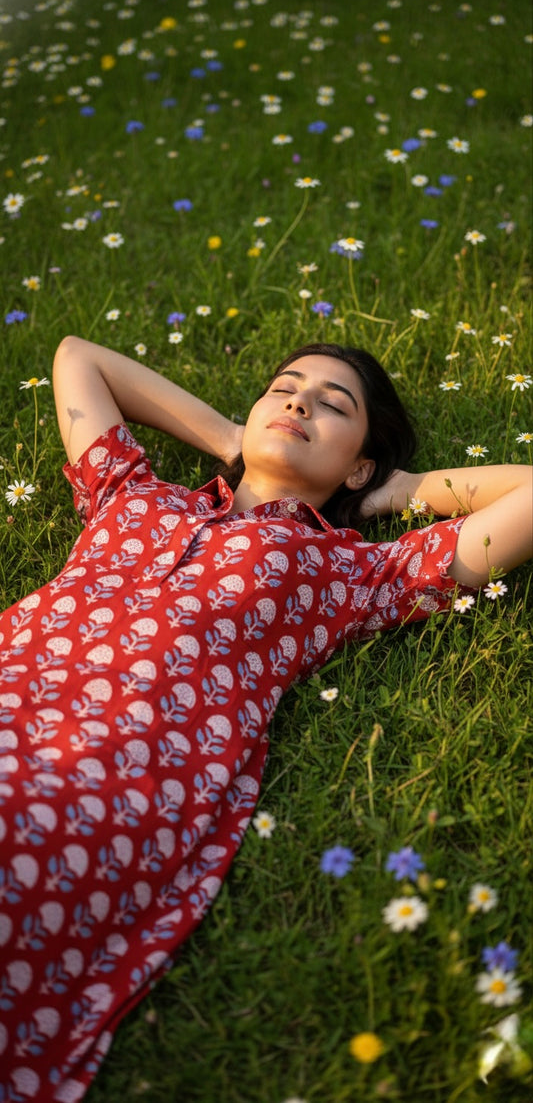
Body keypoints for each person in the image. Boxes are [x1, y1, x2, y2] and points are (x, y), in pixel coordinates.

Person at [0, 336, 531, 1103]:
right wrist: (228, 439)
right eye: (285, 387)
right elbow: (79, 357)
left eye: (331, 404)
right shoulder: (130, 493)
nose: (298, 402)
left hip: (116, 762)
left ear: (357, 465)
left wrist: (394, 490)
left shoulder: (349, 571)